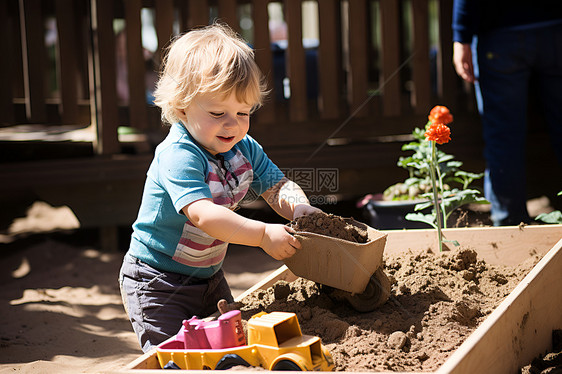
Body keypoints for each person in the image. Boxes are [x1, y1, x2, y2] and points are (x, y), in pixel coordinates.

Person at [118, 23, 322, 352]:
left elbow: (276, 185)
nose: (233, 123)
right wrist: (262, 234)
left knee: (229, 349)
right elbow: (203, 215)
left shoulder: (243, 147)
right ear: (182, 106)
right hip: (157, 282)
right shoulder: (179, 154)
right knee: (175, 357)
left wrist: (298, 207)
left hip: (209, 278)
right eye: (218, 112)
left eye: (243, 112)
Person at [452, 1, 562, 226]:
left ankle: (510, 225)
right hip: (555, 27)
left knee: (503, 135)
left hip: (501, 35)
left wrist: (461, 36)